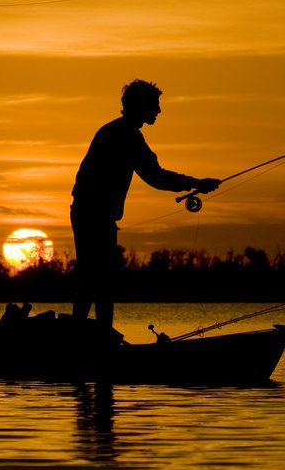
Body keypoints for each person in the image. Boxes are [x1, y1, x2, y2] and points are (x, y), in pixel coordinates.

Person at [70, 79, 220, 329]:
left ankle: (88, 337)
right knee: (98, 280)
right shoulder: (125, 135)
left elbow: (154, 174)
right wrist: (197, 182)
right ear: (140, 106)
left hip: (92, 214)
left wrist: (194, 183)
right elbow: (155, 176)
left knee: (95, 279)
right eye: (154, 105)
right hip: (93, 216)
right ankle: (95, 339)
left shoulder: (120, 132)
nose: (159, 111)